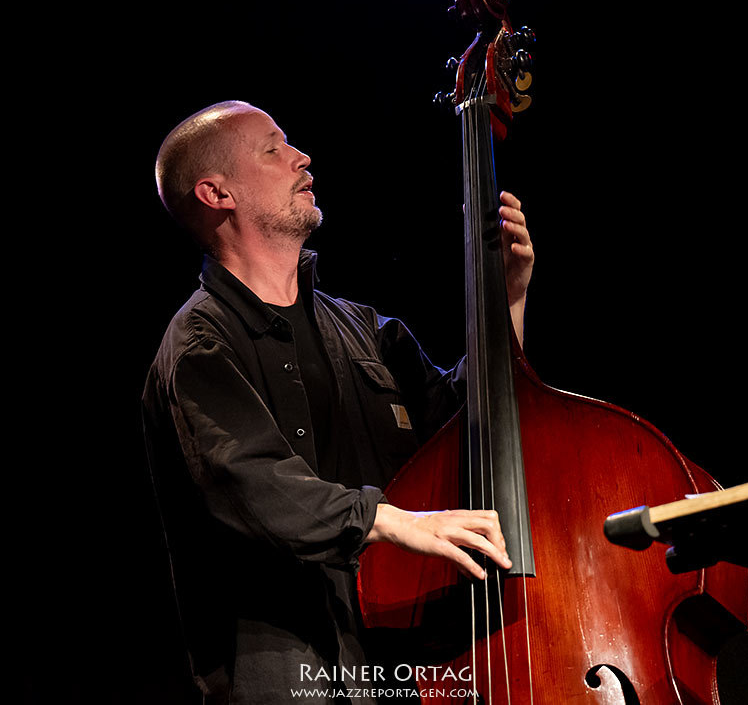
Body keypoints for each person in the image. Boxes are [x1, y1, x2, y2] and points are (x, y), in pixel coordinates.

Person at [142, 100, 534, 704]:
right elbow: (250, 480)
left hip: (406, 665)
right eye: (274, 149)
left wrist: (505, 301)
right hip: (293, 675)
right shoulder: (200, 347)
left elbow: (467, 432)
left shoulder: (367, 331)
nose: (302, 158)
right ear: (217, 193)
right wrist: (392, 519)